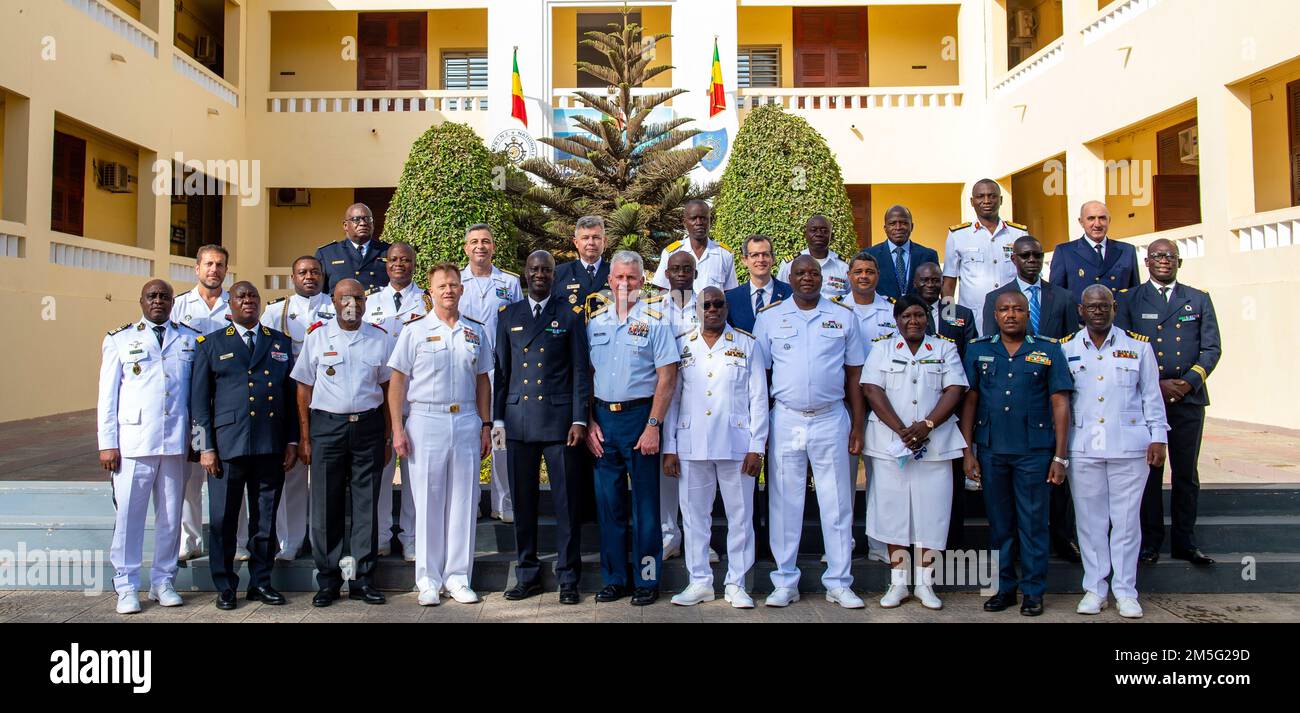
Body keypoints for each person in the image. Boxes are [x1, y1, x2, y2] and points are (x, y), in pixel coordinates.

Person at [754, 255, 866, 609]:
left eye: (814, 273)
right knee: (785, 502)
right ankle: (785, 580)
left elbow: (854, 376)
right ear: (790, 277)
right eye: (800, 273)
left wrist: (858, 425)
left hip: (831, 418)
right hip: (785, 418)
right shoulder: (770, 318)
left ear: (823, 277)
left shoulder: (843, 317)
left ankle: (839, 581)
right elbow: (759, 378)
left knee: (836, 503)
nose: (807, 278)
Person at [960, 291, 1073, 616]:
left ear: (1028, 314)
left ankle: (1034, 592)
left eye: (1018, 309)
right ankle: (1004, 589)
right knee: (999, 524)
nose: (1011, 315)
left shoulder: (1048, 349)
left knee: (1034, 523)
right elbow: (970, 400)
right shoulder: (979, 349)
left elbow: (1060, 402)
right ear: (995, 315)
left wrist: (1060, 456)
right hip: (993, 450)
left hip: (1034, 452)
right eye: (1004, 309)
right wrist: (969, 452)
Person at [190, 281, 299, 610]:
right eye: (241, 296)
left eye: (253, 296)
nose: (248, 301)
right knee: (223, 520)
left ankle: (261, 582)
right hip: (226, 448)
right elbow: (198, 404)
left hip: (270, 444)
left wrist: (292, 440)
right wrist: (204, 447)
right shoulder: (210, 345)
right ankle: (224, 585)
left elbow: (291, 397)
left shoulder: (279, 342)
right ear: (231, 305)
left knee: (264, 519)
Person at [389, 263, 493, 606]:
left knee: (465, 500)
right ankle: (429, 579)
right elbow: (398, 382)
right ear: (429, 292)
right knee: (429, 502)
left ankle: (459, 577)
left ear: (461, 289)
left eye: (453, 285)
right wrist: (397, 428)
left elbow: (482, 380)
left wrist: (485, 424)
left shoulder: (475, 331)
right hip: (426, 420)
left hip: (465, 419)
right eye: (442, 286)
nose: (448, 290)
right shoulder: (415, 330)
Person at [1062, 285, 1168, 619]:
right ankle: (1095, 589)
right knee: (1090, 523)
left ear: (1114, 307)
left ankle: (1125, 591)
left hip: (1129, 446)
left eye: (1103, 305)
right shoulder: (1066, 348)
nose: (1097, 311)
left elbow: (1152, 396)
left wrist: (1159, 438)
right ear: (1081, 309)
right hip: (1084, 447)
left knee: (1125, 523)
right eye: (1091, 306)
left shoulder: (1137, 347)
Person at [1115, 238, 1221, 566]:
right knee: (1150, 472)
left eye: (1171, 256)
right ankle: (1150, 543)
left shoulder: (1198, 299)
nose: (1164, 261)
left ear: (1179, 262)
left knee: (1186, 473)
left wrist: (1187, 384)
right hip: (1148, 400)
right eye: (1158, 256)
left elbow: (1211, 349)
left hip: (1188, 400)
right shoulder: (1130, 299)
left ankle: (1185, 542)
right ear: (1146, 262)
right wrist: (1156, 385)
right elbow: (1123, 348)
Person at [662, 287, 768, 608]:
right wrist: (669, 446)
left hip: (736, 445)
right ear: (697, 309)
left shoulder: (747, 345)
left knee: (740, 517)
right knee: (694, 517)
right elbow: (672, 399)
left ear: (726, 307)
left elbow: (758, 399)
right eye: (705, 304)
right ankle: (699, 582)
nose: (712, 309)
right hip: (691, 443)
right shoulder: (682, 345)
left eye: (718, 303)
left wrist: (757, 446)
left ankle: (736, 583)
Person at [860, 295, 968, 610]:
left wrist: (927, 425)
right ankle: (898, 583)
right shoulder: (882, 348)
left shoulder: (944, 348)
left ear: (927, 318)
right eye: (906, 315)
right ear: (896, 320)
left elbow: (955, 389)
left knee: (932, 514)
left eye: (919, 315)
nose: (913, 321)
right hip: (891, 444)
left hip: (935, 444)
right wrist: (903, 431)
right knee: (893, 512)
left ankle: (925, 583)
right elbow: (871, 389)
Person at [496, 251, 592, 604]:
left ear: (554, 276)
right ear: (524, 273)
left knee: (567, 505)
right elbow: (502, 372)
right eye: (534, 269)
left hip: (559, 423)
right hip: (520, 421)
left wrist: (580, 418)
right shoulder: (507, 315)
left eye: (546, 270)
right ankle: (527, 574)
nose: (540, 275)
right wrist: (499, 420)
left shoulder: (568, 313)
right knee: (523, 504)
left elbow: (581, 370)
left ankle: (568, 577)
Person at [98, 280, 199, 614]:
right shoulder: (120, 340)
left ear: (173, 302)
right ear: (141, 301)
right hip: (133, 444)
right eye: (152, 296)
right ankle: (126, 586)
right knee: (129, 517)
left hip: (174, 442)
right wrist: (107, 444)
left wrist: (196, 444)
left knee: (171, 516)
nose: (158, 301)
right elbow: (107, 398)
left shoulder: (189, 338)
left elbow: (195, 396)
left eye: (164, 297)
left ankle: (162, 581)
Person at [292, 279, 394, 607]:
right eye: (344, 298)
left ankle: (365, 579)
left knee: (366, 505)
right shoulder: (317, 336)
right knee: (325, 505)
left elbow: (389, 387)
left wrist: (390, 433)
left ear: (365, 302)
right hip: (327, 427)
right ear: (334, 302)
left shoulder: (379, 338)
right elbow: (304, 387)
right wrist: (305, 437)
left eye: (358, 298)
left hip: (368, 427)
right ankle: (328, 581)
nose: (352, 304)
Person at [585, 251, 680, 606]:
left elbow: (667, 376)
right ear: (609, 281)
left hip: (640, 419)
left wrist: (654, 425)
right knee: (609, 506)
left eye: (632, 278)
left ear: (643, 282)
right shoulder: (595, 322)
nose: (625, 284)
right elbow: (587, 377)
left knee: (645, 509)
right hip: (603, 422)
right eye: (619, 278)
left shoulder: (656, 320)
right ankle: (615, 580)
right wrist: (590, 420)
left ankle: (647, 579)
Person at [981, 236, 1083, 562]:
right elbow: (989, 350)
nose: (1031, 260)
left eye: (1037, 255)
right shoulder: (995, 297)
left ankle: (1062, 538)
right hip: (1009, 415)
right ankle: (1008, 579)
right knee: (1008, 513)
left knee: (1050, 490)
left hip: (1051, 394)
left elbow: (1070, 348)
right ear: (1014, 258)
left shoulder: (1063, 297)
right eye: (1025, 255)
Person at [260, 256, 334, 562]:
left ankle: (323, 539)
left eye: (315, 272)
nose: (309, 277)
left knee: (326, 472)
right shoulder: (277, 311)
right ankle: (289, 541)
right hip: (288, 399)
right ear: (293, 277)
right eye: (303, 272)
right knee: (291, 470)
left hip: (329, 397)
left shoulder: (336, 305)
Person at [362, 241, 426, 559]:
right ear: (386, 264)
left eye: (406, 260)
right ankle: (382, 534)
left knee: (413, 472)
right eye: (394, 260)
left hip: (416, 396)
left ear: (414, 264)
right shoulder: (371, 301)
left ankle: (411, 536)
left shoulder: (427, 301)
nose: (399, 264)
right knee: (383, 468)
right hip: (378, 397)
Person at [169, 244, 231, 561]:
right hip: (193, 403)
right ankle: (189, 540)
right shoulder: (180, 306)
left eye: (220, 265)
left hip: (224, 402)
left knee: (229, 470)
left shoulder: (235, 305)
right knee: (191, 472)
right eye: (208, 264)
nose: (214, 270)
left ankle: (236, 541)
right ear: (197, 268)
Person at [834, 250, 895, 563]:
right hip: (844, 403)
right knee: (843, 479)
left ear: (877, 276)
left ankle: (879, 544)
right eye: (858, 272)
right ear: (849, 276)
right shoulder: (834, 310)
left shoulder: (891, 311)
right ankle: (842, 543)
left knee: (880, 477)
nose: (863, 277)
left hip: (883, 403)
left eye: (869, 272)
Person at [459, 224, 523, 524]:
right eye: (474, 242)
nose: (480, 246)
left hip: (499, 371)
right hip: (465, 370)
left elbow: (520, 326)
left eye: (486, 241)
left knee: (499, 436)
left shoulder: (509, 283)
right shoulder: (456, 282)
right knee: (467, 435)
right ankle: (470, 501)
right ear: (466, 248)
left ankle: (503, 501)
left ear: (494, 247)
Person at [941, 179, 1029, 334]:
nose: (987, 201)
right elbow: (949, 284)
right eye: (980, 196)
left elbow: (1027, 277)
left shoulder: (1018, 233)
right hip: (974, 318)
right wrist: (949, 319)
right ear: (972, 201)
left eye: (992, 196)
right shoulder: (958, 235)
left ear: (1001, 200)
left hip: (1012, 317)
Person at [1048, 200, 1140, 302]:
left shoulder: (1127, 250)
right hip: (1081, 317)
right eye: (1091, 218)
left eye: (1102, 218)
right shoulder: (1065, 252)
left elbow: (1135, 293)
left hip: (1118, 316)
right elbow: (1056, 295)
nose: (1097, 224)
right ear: (1081, 222)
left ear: (1109, 220)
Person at [650, 199, 739, 293]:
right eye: (693, 218)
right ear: (684, 223)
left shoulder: (724, 254)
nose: (699, 223)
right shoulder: (671, 253)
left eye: (703, 218)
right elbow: (662, 289)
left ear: (710, 221)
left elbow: (730, 292)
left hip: (712, 307)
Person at [865, 205, 939, 300]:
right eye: (892, 223)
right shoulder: (870, 255)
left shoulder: (928, 255)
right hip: (882, 313)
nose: (898, 227)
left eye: (903, 223)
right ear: (885, 228)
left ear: (911, 226)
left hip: (917, 313)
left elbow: (936, 291)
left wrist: (948, 314)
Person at [315, 203, 390, 294]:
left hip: (378, 307)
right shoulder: (327, 254)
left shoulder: (387, 251)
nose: (363, 223)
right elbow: (319, 294)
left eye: (367, 219)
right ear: (345, 225)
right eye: (356, 219)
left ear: (373, 224)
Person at [725, 234, 792, 333]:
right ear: (744, 260)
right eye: (755, 255)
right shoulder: (731, 298)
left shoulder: (791, 294)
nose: (761, 260)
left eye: (765, 254)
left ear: (773, 259)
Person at [777, 214, 851, 299]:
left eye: (824, 230)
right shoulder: (790, 264)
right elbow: (781, 294)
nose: (819, 234)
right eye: (813, 230)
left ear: (832, 236)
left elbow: (852, 298)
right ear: (805, 234)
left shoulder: (844, 266)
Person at [553, 215, 611, 307]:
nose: (591, 243)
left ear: (604, 241)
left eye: (596, 237)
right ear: (576, 242)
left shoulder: (616, 272)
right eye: (585, 238)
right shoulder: (559, 273)